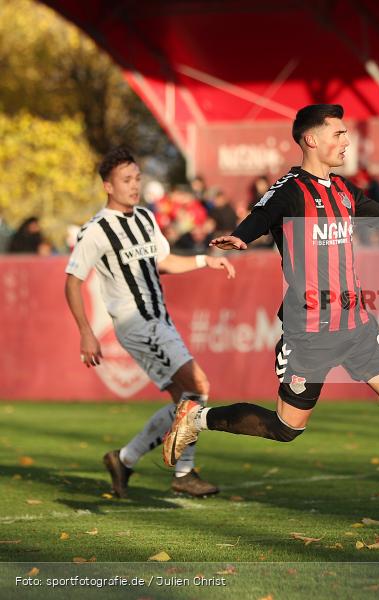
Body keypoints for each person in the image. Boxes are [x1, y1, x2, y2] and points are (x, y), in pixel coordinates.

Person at [162, 105, 379, 527]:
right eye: (339, 134)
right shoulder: (291, 188)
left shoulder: (343, 191)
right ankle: (197, 417)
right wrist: (241, 235)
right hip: (310, 330)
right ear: (311, 139)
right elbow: (264, 212)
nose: (347, 141)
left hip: (357, 325)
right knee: (288, 428)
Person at [64, 146, 236, 498]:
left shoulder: (144, 217)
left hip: (160, 319)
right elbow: (72, 282)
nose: (134, 185)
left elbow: (166, 262)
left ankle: (124, 459)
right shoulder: (96, 230)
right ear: (108, 186)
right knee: (198, 386)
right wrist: (86, 332)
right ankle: (184, 473)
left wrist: (206, 260)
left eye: (138, 178)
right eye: (126, 180)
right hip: (136, 323)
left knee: (185, 400)